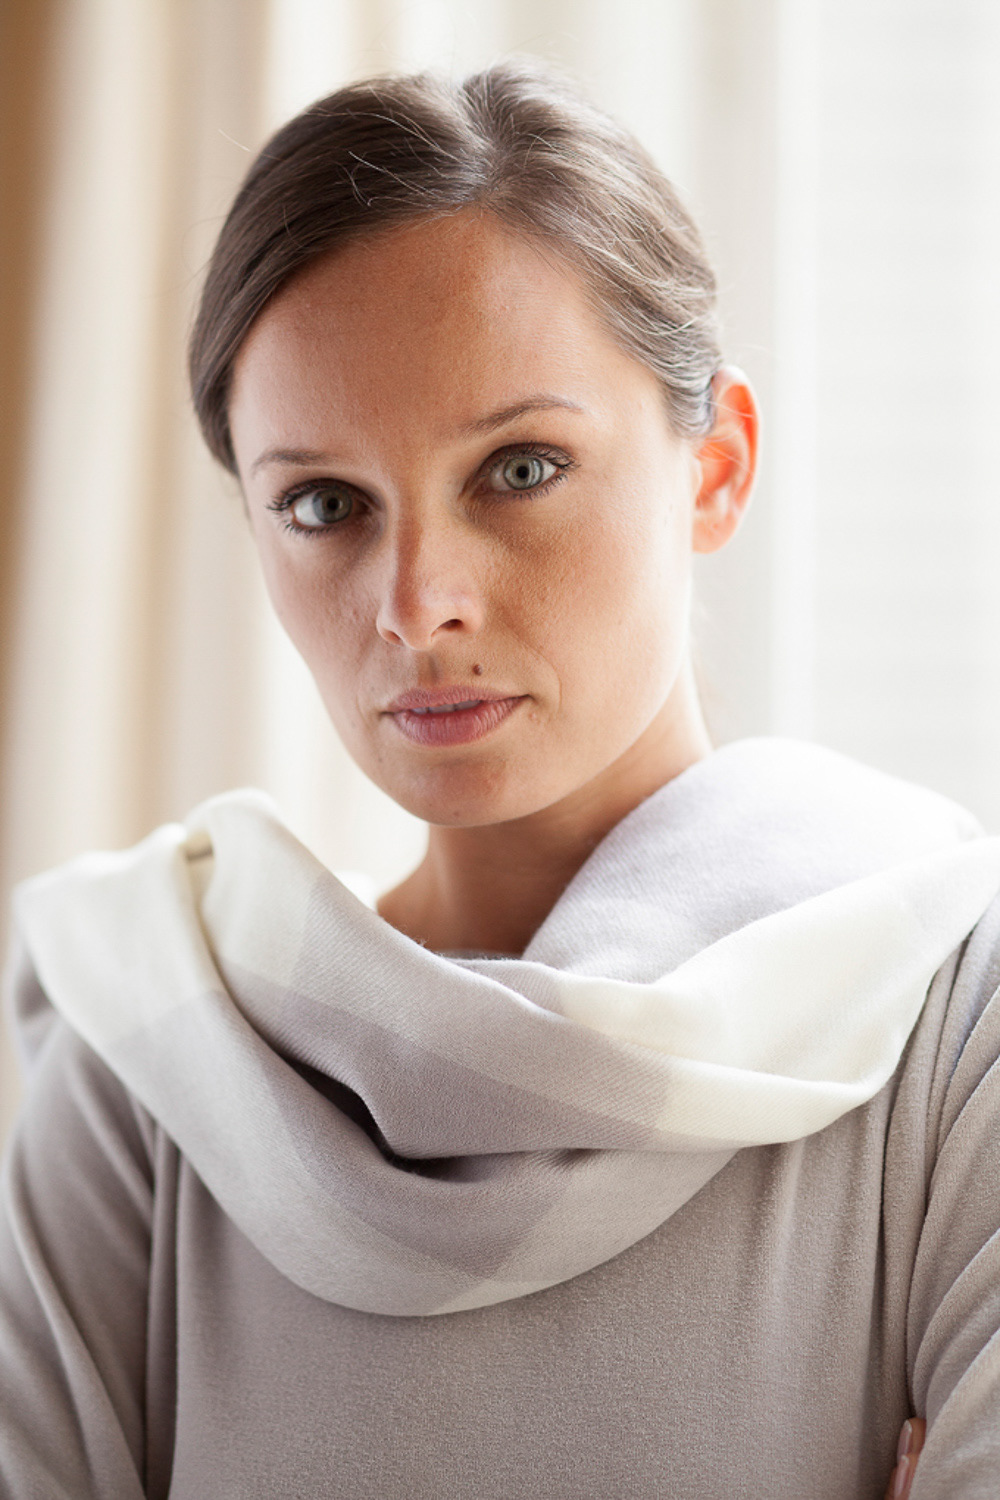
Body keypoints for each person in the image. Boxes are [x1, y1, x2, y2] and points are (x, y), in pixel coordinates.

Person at [0, 58, 994, 1499]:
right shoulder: (153, 1055)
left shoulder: (955, 1020)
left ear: (716, 467)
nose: (417, 607)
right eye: (324, 504)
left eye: (519, 469)